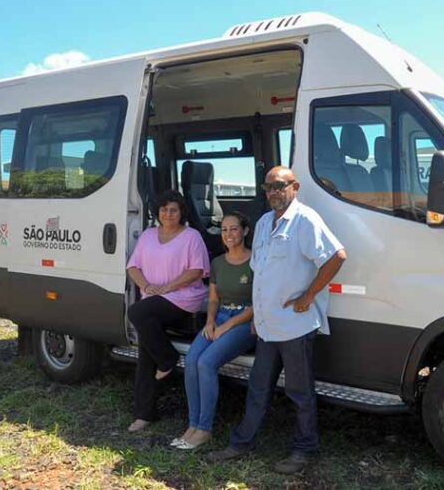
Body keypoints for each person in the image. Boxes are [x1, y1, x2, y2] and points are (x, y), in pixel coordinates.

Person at [206, 167, 347, 474]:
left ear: (294, 186)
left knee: (299, 391)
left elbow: (336, 256)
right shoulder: (264, 222)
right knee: (258, 387)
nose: (273, 191)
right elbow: (261, 276)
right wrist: (257, 316)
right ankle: (241, 443)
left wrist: (308, 296)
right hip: (268, 325)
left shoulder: (305, 220)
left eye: (279, 186)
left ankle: (304, 449)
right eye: (268, 187)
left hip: (295, 325)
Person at [171, 212, 257, 450]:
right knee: (191, 360)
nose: (229, 234)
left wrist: (227, 326)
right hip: (219, 316)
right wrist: (210, 322)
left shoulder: (256, 261)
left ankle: (204, 429)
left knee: (206, 362)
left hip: (244, 321)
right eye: (224, 230)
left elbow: (258, 303)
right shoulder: (218, 262)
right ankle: (193, 425)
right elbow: (213, 299)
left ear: (245, 231)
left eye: (234, 229)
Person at [126, 189, 209, 432]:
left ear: (182, 212)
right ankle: (144, 414)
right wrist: (147, 286)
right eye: (164, 209)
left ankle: (168, 358)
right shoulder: (149, 235)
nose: (168, 213)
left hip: (183, 298)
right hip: (153, 300)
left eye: (174, 209)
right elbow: (133, 266)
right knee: (145, 354)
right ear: (158, 213)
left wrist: (164, 288)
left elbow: (197, 271)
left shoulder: (191, 236)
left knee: (136, 313)